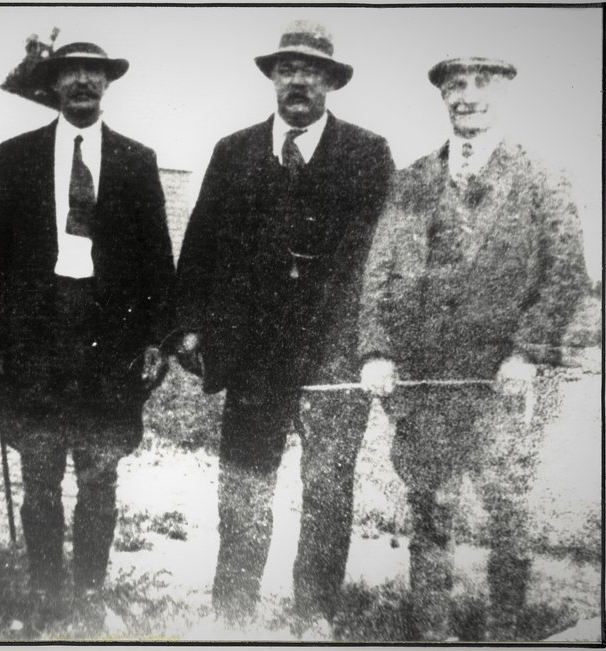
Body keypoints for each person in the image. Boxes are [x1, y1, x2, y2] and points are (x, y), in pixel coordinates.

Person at [174, 20, 394, 635]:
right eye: (287, 69)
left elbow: (381, 258)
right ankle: (233, 609)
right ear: (272, 77)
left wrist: (364, 344)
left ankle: (315, 612)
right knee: (243, 483)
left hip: (333, 355)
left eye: (312, 71)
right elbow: (200, 245)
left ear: (331, 81)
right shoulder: (234, 150)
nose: (298, 81)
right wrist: (189, 326)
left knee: (327, 487)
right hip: (252, 353)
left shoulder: (368, 152)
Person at [358, 56, 588, 641]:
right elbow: (378, 273)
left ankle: (506, 630)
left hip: (507, 379)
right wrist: (376, 351)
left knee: (506, 509)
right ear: (442, 97)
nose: (467, 96)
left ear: (506, 94)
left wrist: (526, 353)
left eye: (481, 85)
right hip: (428, 381)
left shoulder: (545, 179)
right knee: (430, 507)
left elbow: (564, 274)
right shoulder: (410, 181)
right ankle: (430, 631)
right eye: (454, 86)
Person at [0, 42, 175, 633]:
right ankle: (43, 587)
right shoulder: (18, 156)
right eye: (72, 73)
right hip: (36, 329)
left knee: (99, 467)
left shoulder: (137, 160)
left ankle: (87, 589)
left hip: (108, 332)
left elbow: (156, 256)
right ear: (54, 85)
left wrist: (155, 336)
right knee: (39, 463)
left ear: (107, 84)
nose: (84, 81)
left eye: (95, 73)